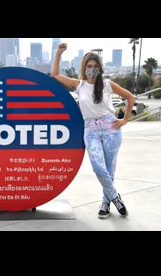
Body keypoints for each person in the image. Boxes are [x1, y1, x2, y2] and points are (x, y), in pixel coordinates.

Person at [51, 43, 135, 219]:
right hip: (90, 130)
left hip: (110, 128)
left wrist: (125, 119)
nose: (92, 69)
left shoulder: (106, 84)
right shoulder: (78, 85)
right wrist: (59, 52)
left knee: (109, 170)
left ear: (100, 68)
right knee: (99, 168)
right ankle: (115, 198)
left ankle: (105, 203)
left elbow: (130, 96)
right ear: (84, 67)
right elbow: (55, 75)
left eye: (95, 66)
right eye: (89, 66)